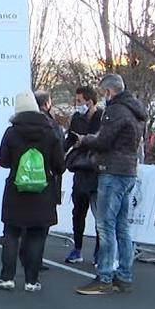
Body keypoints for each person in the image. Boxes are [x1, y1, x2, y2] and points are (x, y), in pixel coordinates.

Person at [74, 73, 146, 295]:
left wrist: (85, 140)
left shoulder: (114, 111)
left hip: (112, 171)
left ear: (108, 92)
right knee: (122, 226)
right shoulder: (136, 111)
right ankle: (123, 275)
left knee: (105, 226)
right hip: (128, 170)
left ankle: (104, 276)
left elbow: (104, 141)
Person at [0, 92, 65, 292]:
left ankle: (7, 277)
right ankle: (32, 281)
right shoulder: (50, 131)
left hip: (16, 190)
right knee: (36, 235)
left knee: (11, 233)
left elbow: (3, 161)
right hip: (43, 192)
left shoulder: (11, 132)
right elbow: (60, 165)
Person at [64, 85, 103, 264]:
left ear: (89, 101)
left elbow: (103, 141)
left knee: (99, 215)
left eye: (79, 101)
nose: (76, 104)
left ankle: (98, 252)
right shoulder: (76, 118)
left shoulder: (102, 117)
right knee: (78, 212)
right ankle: (77, 248)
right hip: (80, 169)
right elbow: (70, 140)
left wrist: (85, 142)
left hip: (96, 171)